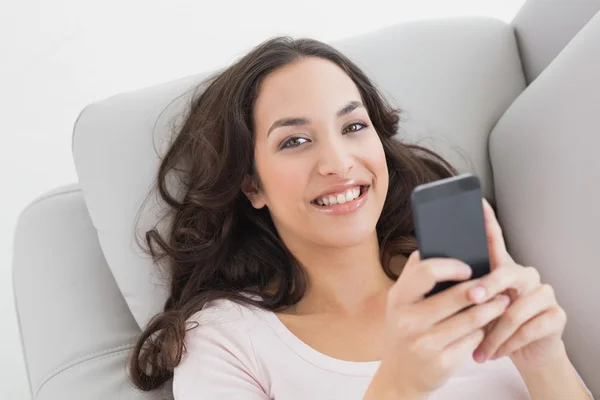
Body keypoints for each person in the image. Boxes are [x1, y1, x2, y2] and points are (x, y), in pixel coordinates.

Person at [128, 37, 592, 399]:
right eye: (294, 141)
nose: (339, 162)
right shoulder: (227, 341)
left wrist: (542, 360)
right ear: (252, 185)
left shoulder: (465, 279)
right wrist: (400, 385)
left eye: (353, 127)